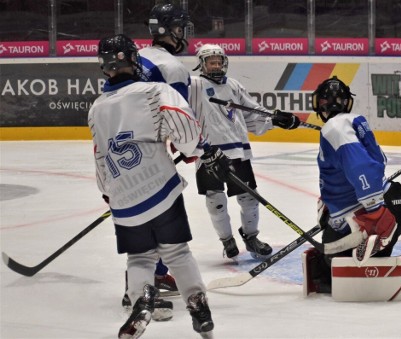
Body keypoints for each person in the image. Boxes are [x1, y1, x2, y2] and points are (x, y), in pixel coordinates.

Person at [89, 34, 229, 338]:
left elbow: (100, 156)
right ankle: (197, 303)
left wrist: (109, 192)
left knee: (139, 257)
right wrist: (201, 150)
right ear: (133, 59)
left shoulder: (97, 107)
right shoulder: (155, 90)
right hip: (160, 189)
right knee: (177, 252)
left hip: (123, 199)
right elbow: (185, 131)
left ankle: (141, 302)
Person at [188, 43, 301, 261]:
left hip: (238, 152)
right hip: (210, 154)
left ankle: (251, 237)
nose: (216, 65)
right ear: (202, 64)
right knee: (216, 200)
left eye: (219, 61)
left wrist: (275, 119)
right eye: (211, 62)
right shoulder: (194, 86)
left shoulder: (234, 86)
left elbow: (253, 115)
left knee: (249, 199)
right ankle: (227, 240)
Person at [303, 76, 401, 293]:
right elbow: (356, 167)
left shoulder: (334, 126)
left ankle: (371, 259)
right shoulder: (349, 122)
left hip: (368, 217)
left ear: (319, 103)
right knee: (330, 266)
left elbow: (360, 167)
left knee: (332, 270)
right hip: (382, 205)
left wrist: (375, 211)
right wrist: (329, 203)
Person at [121, 2, 194, 304]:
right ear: (166, 30)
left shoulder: (136, 57)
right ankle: (142, 287)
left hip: (122, 150)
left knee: (147, 215)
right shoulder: (173, 68)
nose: (183, 34)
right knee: (162, 215)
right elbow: (181, 121)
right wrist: (193, 149)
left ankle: (157, 274)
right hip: (150, 152)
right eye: (179, 27)